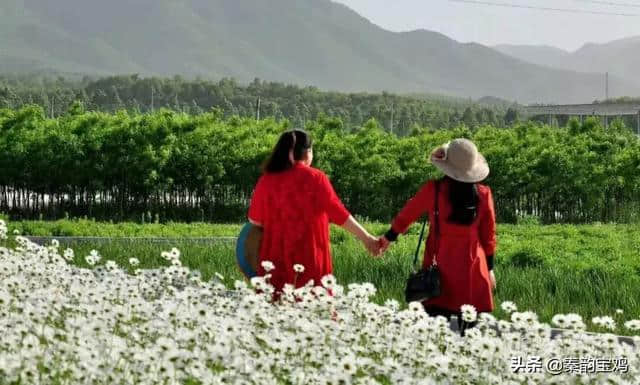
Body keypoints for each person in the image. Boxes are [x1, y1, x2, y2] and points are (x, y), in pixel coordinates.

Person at [379, 138, 497, 334]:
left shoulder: (433, 190)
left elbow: (407, 215)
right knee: (469, 339)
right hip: (473, 271)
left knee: (433, 337)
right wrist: (490, 269)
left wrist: (388, 238)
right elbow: (489, 236)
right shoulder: (483, 194)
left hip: (439, 271)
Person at [247, 129, 381, 293]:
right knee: (314, 311)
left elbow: (255, 221)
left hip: (274, 262)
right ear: (307, 152)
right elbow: (339, 213)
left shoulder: (266, 180)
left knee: (275, 312)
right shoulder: (316, 178)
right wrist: (367, 239)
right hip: (310, 259)